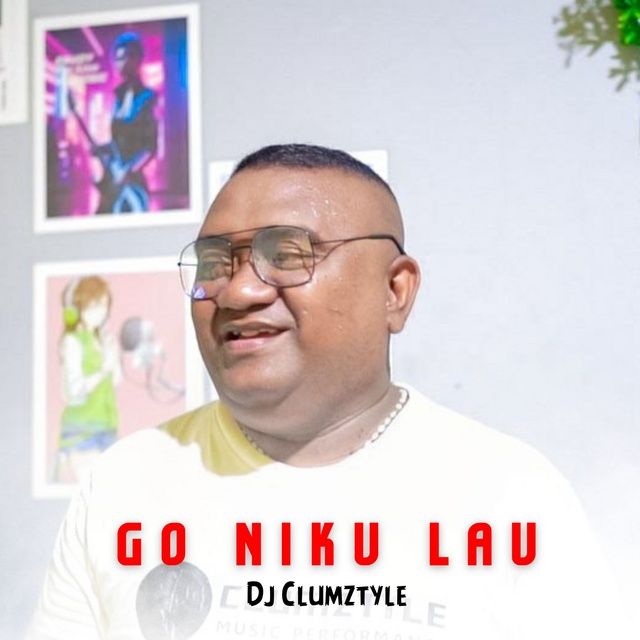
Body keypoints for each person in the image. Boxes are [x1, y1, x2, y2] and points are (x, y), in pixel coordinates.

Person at [28, 144, 630, 639]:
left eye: (287, 254)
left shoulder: (510, 493)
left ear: (395, 291)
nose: (238, 292)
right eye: (214, 263)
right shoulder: (125, 484)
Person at [54, 276, 120, 484]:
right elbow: (73, 392)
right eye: (93, 306)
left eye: (103, 305)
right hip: (82, 431)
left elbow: (115, 381)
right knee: (88, 492)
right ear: (76, 308)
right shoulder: (72, 342)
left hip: (107, 426)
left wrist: (113, 357)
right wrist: (103, 370)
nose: (100, 312)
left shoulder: (101, 340)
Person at [93, 32, 157, 214]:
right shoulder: (117, 98)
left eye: (127, 57)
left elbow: (150, 147)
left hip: (133, 182)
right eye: (118, 58)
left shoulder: (148, 98)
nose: (121, 63)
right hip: (113, 182)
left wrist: (129, 171)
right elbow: (118, 141)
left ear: (138, 60)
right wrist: (102, 149)